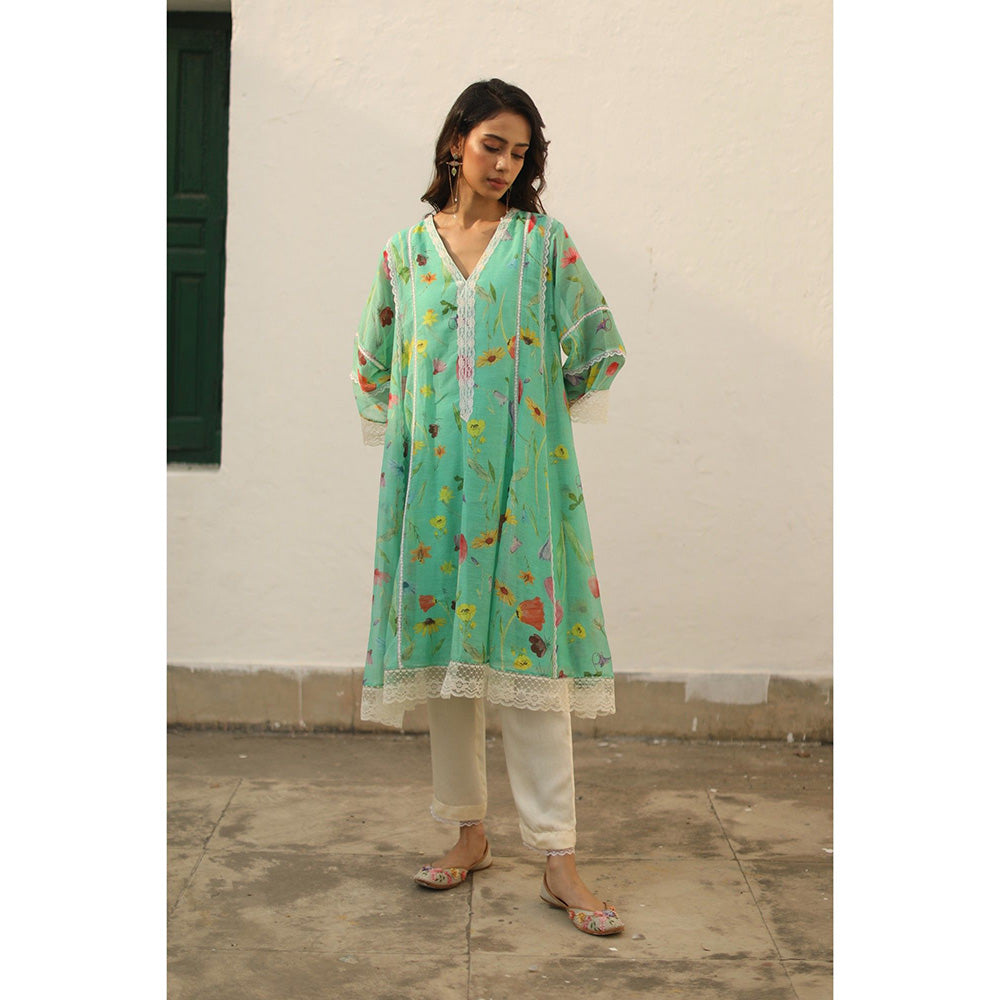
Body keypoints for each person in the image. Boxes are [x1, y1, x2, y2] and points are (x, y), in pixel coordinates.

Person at [350, 79, 627, 936]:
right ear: (455, 143)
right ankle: (469, 834)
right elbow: (373, 363)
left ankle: (558, 856)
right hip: (432, 487)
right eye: (491, 145)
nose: (505, 164)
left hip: (521, 488)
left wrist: (529, 423)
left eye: (520, 152)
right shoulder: (404, 253)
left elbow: (597, 345)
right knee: (448, 665)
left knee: (534, 668)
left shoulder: (543, 248)